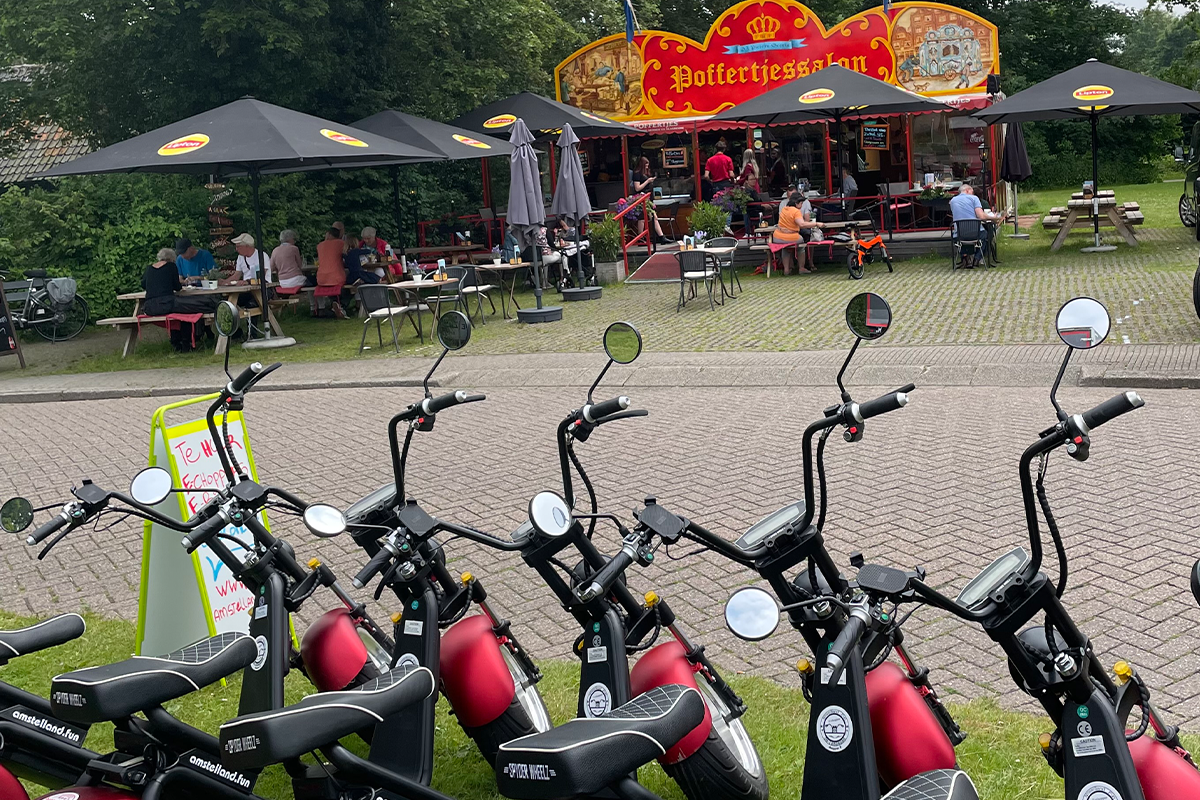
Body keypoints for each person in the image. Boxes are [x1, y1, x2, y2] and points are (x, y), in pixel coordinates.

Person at [142, 248, 217, 351]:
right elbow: (177, 287)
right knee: (186, 312)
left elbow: (143, 284)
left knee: (180, 310)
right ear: (172, 259)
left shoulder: (149, 268)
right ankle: (186, 342)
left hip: (149, 307)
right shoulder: (171, 266)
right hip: (166, 304)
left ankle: (176, 341)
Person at [771, 191, 824, 275]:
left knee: (785, 248)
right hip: (790, 237)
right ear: (796, 203)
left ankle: (786, 270)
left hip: (777, 237)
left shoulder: (784, 209)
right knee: (801, 244)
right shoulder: (796, 211)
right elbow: (802, 224)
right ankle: (801, 268)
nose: (802, 205)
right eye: (801, 203)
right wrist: (816, 224)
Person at [949, 184, 1002, 267]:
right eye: (972, 191)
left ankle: (965, 258)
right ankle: (977, 259)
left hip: (959, 233)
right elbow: (981, 216)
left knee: (958, 238)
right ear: (967, 190)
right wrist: (993, 218)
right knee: (986, 235)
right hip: (975, 232)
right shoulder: (974, 198)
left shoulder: (952, 201)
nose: (973, 193)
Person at [629, 157, 672, 245]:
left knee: (652, 217)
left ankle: (660, 237)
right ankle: (643, 238)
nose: (647, 166)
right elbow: (637, 188)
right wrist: (648, 181)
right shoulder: (637, 174)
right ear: (642, 164)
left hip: (647, 198)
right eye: (646, 164)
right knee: (643, 218)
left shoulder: (645, 173)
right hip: (641, 198)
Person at [315, 228, 348, 319]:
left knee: (330, 284)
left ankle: (335, 305)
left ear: (329, 234)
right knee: (353, 283)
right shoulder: (341, 243)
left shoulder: (320, 245)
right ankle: (342, 305)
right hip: (337, 278)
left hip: (321, 278)